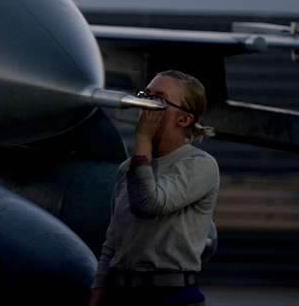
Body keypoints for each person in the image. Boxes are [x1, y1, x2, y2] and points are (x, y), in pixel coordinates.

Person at [91, 70, 220, 305]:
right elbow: (114, 241)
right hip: (121, 294)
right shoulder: (127, 169)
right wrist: (98, 292)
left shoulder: (198, 165)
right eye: (145, 95)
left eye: (158, 99)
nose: (145, 103)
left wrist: (142, 139)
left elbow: (149, 204)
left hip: (170, 296)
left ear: (184, 119)